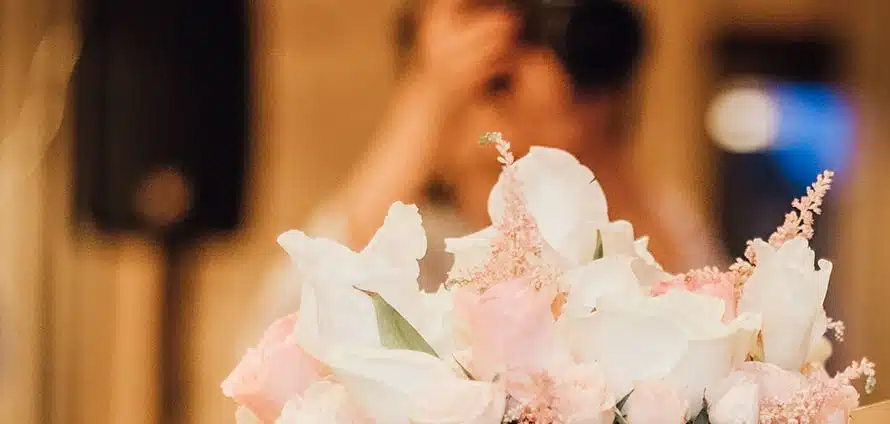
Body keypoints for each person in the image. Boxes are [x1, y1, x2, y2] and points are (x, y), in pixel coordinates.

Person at [254, 0, 720, 329]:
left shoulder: (637, 212)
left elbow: (699, 309)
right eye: (495, 86)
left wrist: (585, 132)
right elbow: (305, 311)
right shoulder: (420, 232)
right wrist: (431, 95)